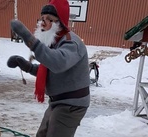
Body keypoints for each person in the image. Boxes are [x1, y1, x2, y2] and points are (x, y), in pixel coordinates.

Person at [7, 0, 90, 136]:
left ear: (60, 23)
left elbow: (57, 63)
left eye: (49, 19)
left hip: (72, 104)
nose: (43, 23)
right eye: (42, 18)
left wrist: (31, 41)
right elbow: (49, 70)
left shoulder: (71, 42)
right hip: (58, 101)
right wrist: (27, 66)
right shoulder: (54, 42)